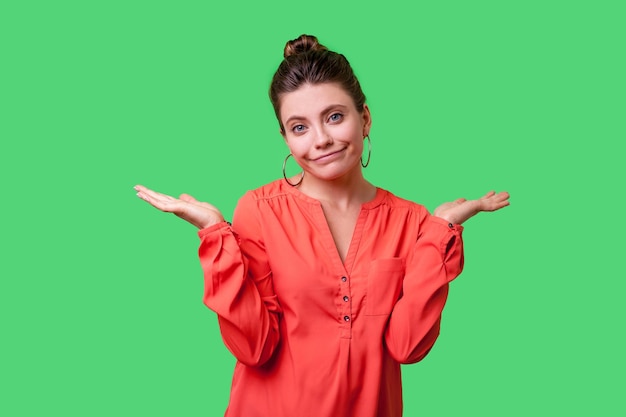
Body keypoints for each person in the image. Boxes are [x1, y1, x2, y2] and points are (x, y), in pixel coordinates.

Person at [135, 34, 510, 417]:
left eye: (334, 117)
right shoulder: (259, 209)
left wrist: (439, 232)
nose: (322, 140)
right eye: (300, 127)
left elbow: (407, 347)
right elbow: (254, 348)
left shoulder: (411, 221)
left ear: (364, 118)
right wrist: (216, 235)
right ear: (284, 137)